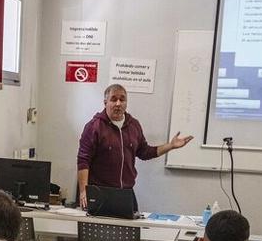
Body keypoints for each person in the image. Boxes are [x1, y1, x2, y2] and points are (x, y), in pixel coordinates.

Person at [77, 83, 193, 211]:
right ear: (105, 102)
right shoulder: (94, 127)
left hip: (126, 193)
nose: (118, 103)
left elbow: (145, 152)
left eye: (122, 99)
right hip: (100, 191)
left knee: (130, 229)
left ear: (126, 102)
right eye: (113, 99)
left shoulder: (134, 125)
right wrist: (84, 191)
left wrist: (170, 146)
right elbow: (83, 160)